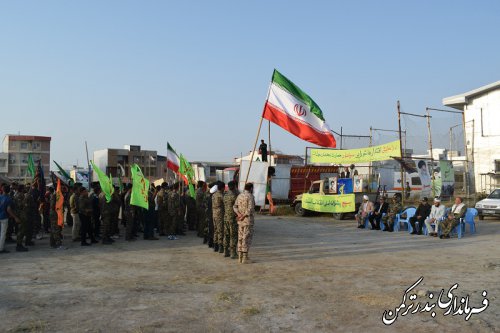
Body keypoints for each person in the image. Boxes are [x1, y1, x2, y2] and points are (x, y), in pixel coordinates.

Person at [233, 182, 255, 264]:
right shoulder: (250, 196)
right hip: (247, 221)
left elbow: (234, 206)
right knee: (247, 238)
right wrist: (243, 216)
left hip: (240, 221)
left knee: (240, 237)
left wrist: (238, 214)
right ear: (251, 188)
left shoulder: (239, 195)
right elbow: (250, 209)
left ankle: (240, 257)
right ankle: (244, 258)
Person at [0, 185, 21, 253]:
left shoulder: (0, 197)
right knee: (3, 234)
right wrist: (15, 217)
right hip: (4, 217)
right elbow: (8, 209)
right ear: (9, 191)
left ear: (2, 190)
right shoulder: (8, 199)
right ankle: (1, 248)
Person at [223, 181, 238, 259]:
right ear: (235, 186)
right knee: (233, 235)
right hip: (232, 218)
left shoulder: (225, 195)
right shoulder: (234, 196)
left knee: (226, 234)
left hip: (226, 217)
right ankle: (233, 253)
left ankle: (225, 251)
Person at [212, 182, 225, 253]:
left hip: (214, 214)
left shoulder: (214, 195)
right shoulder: (221, 195)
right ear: (222, 188)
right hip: (220, 214)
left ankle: (215, 246)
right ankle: (220, 247)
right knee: (220, 230)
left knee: (216, 230)